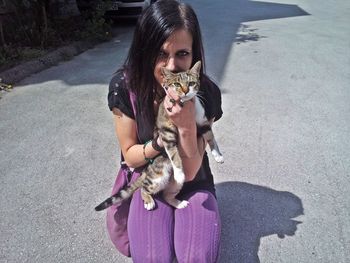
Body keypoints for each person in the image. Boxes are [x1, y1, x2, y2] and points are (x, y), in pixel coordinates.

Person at [106, 0, 223, 262]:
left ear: (194, 55)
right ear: (144, 51)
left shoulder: (207, 93)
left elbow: (191, 170)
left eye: (182, 53)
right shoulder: (125, 87)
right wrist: (158, 144)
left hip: (193, 183)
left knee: (196, 257)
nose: (171, 66)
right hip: (152, 177)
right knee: (152, 258)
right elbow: (131, 157)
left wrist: (185, 124)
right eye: (160, 54)